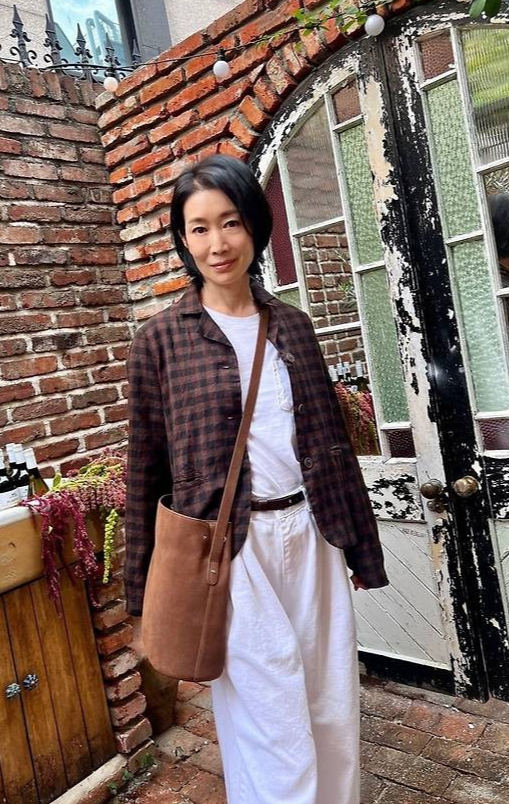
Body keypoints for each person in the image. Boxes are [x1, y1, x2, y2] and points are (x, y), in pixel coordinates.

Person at [124, 154, 389, 804]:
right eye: (199, 228)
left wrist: (360, 548)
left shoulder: (293, 326)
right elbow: (145, 470)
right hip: (231, 553)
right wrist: (141, 592)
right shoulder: (160, 342)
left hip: (313, 535)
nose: (217, 243)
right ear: (183, 240)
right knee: (269, 723)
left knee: (330, 706)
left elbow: (330, 445)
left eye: (230, 222)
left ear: (254, 226)